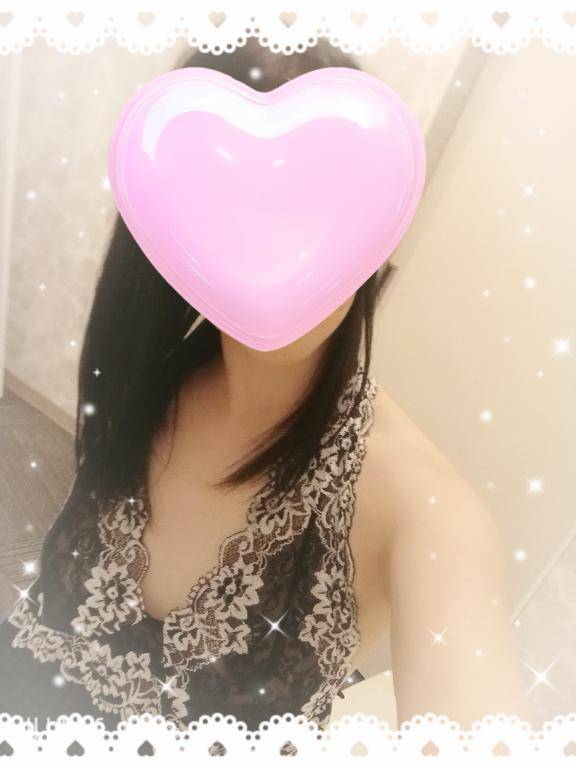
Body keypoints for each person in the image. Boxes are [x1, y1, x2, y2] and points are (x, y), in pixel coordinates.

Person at [0, 38, 535, 735]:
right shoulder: (148, 373)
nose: (277, 259)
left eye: (312, 211)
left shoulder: (423, 512)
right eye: (236, 211)